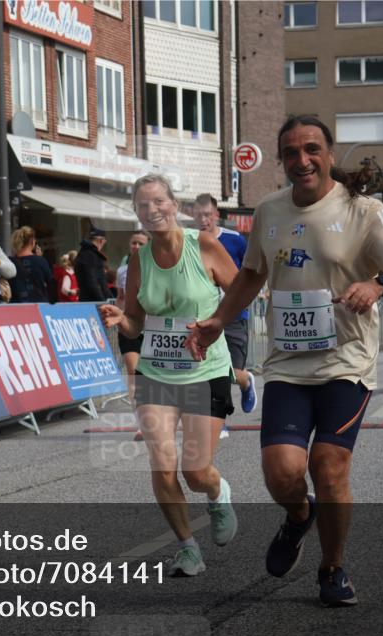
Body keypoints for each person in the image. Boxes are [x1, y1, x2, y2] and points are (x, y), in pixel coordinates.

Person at [186, 116, 383, 606]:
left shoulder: (363, 210)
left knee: (328, 466)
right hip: (287, 364)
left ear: (329, 153)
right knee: (281, 473)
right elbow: (252, 275)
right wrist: (216, 320)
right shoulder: (270, 211)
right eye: (292, 153)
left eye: (312, 149)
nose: (303, 161)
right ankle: (299, 517)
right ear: (281, 161)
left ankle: (332, 568)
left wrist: (377, 284)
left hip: (347, 362)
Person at [99, 173, 240, 577]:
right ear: (136, 213)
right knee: (162, 463)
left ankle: (217, 492)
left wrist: (213, 323)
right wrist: (120, 318)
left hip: (204, 370)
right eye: (143, 205)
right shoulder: (139, 261)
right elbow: (137, 325)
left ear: (175, 205)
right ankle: (187, 547)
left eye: (159, 201)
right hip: (156, 372)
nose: (152, 210)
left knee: (196, 471)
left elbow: (242, 294)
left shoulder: (205, 246)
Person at [194, 193, 259, 438]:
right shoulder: (190, 241)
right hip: (204, 316)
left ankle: (245, 381)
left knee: (229, 370)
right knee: (209, 369)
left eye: (207, 215)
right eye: (199, 215)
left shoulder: (235, 240)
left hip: (233, 315)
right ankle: (217, 420)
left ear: (216, 215)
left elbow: (250, 272)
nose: (203, 219)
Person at [116, 231, 150, 430]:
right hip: (129, 325)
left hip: (152, 327)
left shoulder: (156, 268)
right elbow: (120, 297)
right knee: (133, 371)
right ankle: (140, 419)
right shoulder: (122, 270)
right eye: (133, 243)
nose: (136, 247)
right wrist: (119, 316)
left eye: (140, 243)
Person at [8, 226, 55, 303]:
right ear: (32, 241)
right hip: (39, 305)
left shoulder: (10, 262)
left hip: (17, 306)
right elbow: (51, 284)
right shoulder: (41, 261)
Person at [75, 228, 111, 302]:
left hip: (85, 299)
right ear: (101, 240)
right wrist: (103, 301)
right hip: (94, 302)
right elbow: (92, 281)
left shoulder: (82, 253)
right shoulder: (92, 255)